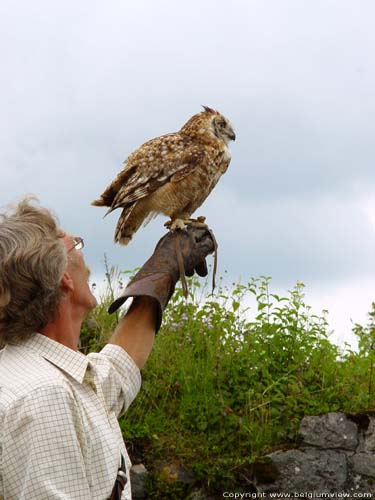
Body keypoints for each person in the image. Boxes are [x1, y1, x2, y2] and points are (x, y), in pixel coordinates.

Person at [0, 197, 214, 500]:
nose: (86, 264)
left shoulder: (43, 375)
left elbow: (117, 368)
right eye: (77, 247)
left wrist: (162, 273)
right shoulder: (44, 398)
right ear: (63, 280)